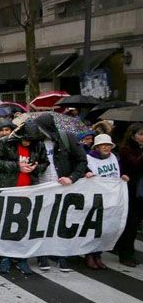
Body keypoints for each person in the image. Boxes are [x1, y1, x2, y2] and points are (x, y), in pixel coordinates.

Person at [0, 121, 50, 275]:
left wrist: (35, 168)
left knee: (24, 226)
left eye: (30, 141)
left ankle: (21, 258)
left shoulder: (38, 145)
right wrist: (17, 166)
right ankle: (5, 257)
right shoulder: (4, 143)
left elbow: (45, 162)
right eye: (25, 140)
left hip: (29, 191)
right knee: (6, 225)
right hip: (9, 189)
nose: (27, 143)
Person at [34, 112, 88, 272]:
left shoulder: (67, 139)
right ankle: (42, 255)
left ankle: (61, 254)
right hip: (41, 187)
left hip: (62, 189)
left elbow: (82, 160)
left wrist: (72, 178)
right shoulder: (35, 142)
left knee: (61, 222)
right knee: (41, 222)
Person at [84, 133, 127, 269]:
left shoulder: (114, 157)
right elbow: (83, 173)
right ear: (96, 147)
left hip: (111, 198)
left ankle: (98, 254)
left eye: (108, 145)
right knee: (94, 228)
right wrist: (87, 174)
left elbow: (118, 173)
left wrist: (123, 177)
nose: (106, 148)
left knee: (105, 228)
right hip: (95, 199)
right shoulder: (88, 158)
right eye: (103, 145)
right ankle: (89, 255)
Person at [117, 123, 143, 267]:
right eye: (141, 134)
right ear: (133, 136)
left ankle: (130, 250)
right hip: (129, 191)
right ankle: (125, 253)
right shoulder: (125, 149)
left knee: (135, 223)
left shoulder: (139, 148)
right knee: (129, 223)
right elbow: (135, 165)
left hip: (139, 191)